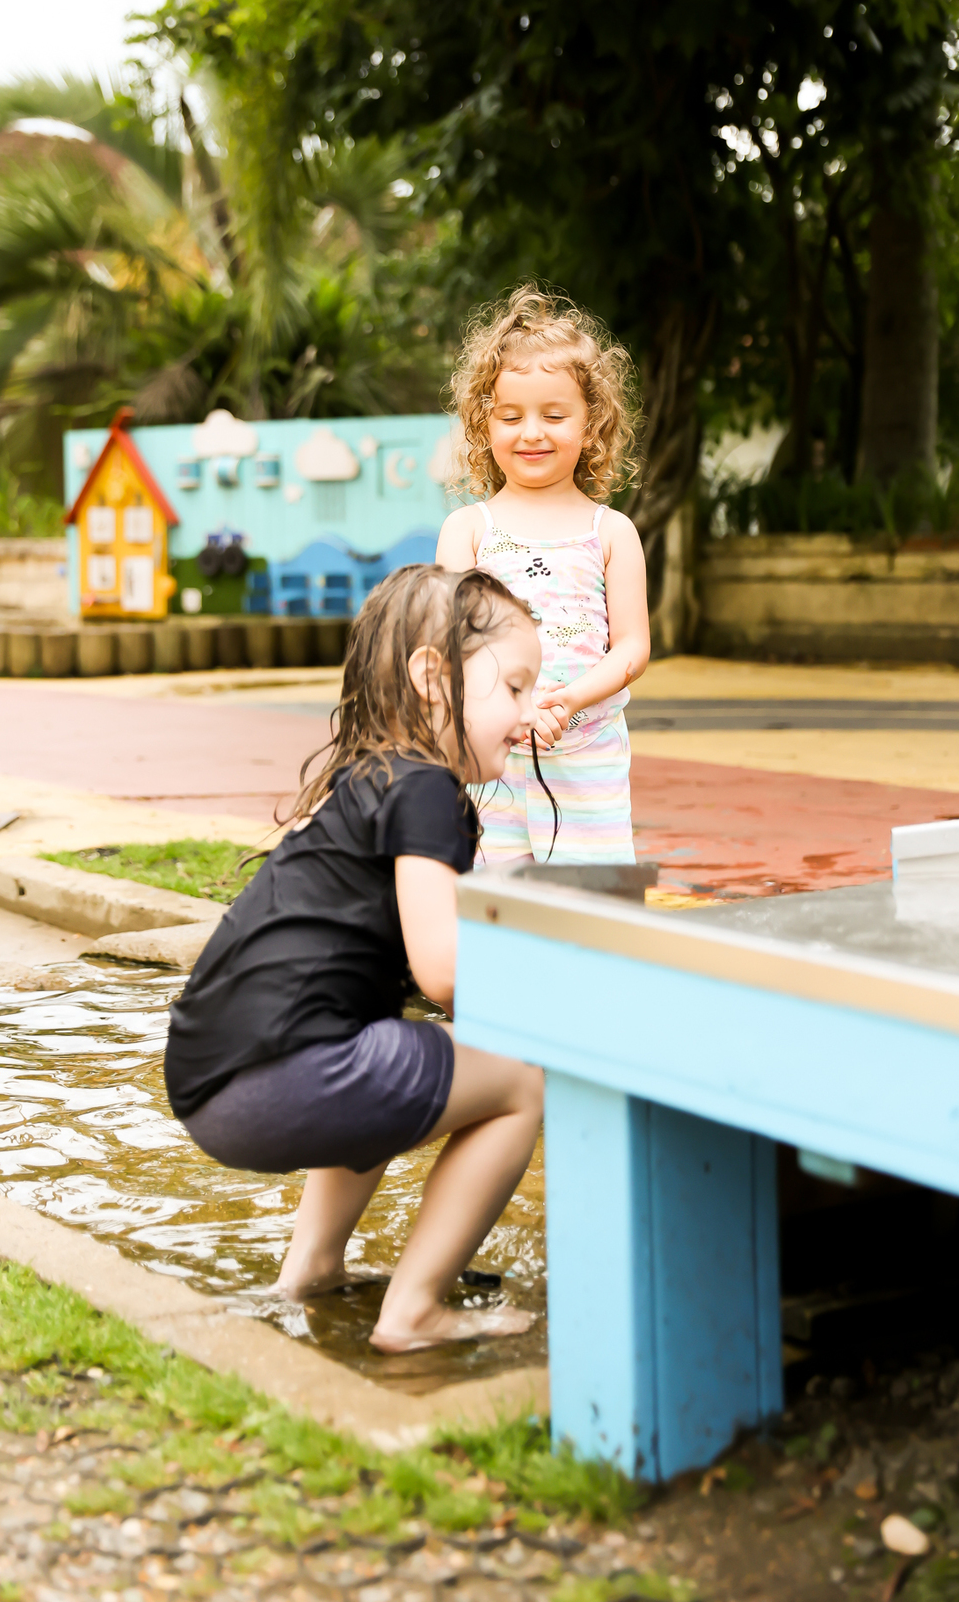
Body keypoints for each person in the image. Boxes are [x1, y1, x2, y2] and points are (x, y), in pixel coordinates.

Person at [164, 565, 545, 1354]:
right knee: (523, 1080)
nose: (528, 712)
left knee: (388, 1047)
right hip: (281, 1081)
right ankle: (415, 1311)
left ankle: (311, 1268)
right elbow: (444, 972)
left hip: (210, 1083)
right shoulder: (429, 790)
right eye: (514, 687)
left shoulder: (365, 782)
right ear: (433, 678)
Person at [437, 285, 650, 865]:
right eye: (511, 416)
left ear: (591, 423)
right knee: (492, 895)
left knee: (594, 902)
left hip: (589, 754)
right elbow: (455, 640)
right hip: (492, 758)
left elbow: (632, 647)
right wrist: (514, 707)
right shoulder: (467, 530)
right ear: (483, 425)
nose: (532, 432)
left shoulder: (612, 532)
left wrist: (569, 700)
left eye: (554, 415)